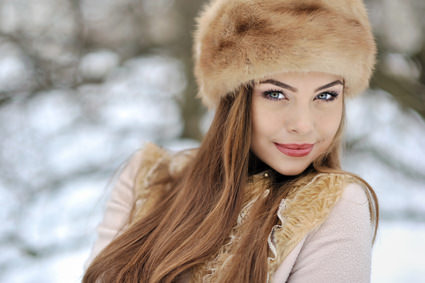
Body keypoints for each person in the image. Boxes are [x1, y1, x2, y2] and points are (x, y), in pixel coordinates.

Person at [83, 0, 379, 282]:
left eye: (325, 95)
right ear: (234, 100)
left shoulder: (334, 206)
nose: (303, 125)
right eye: (275, 94)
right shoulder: (147, 179)